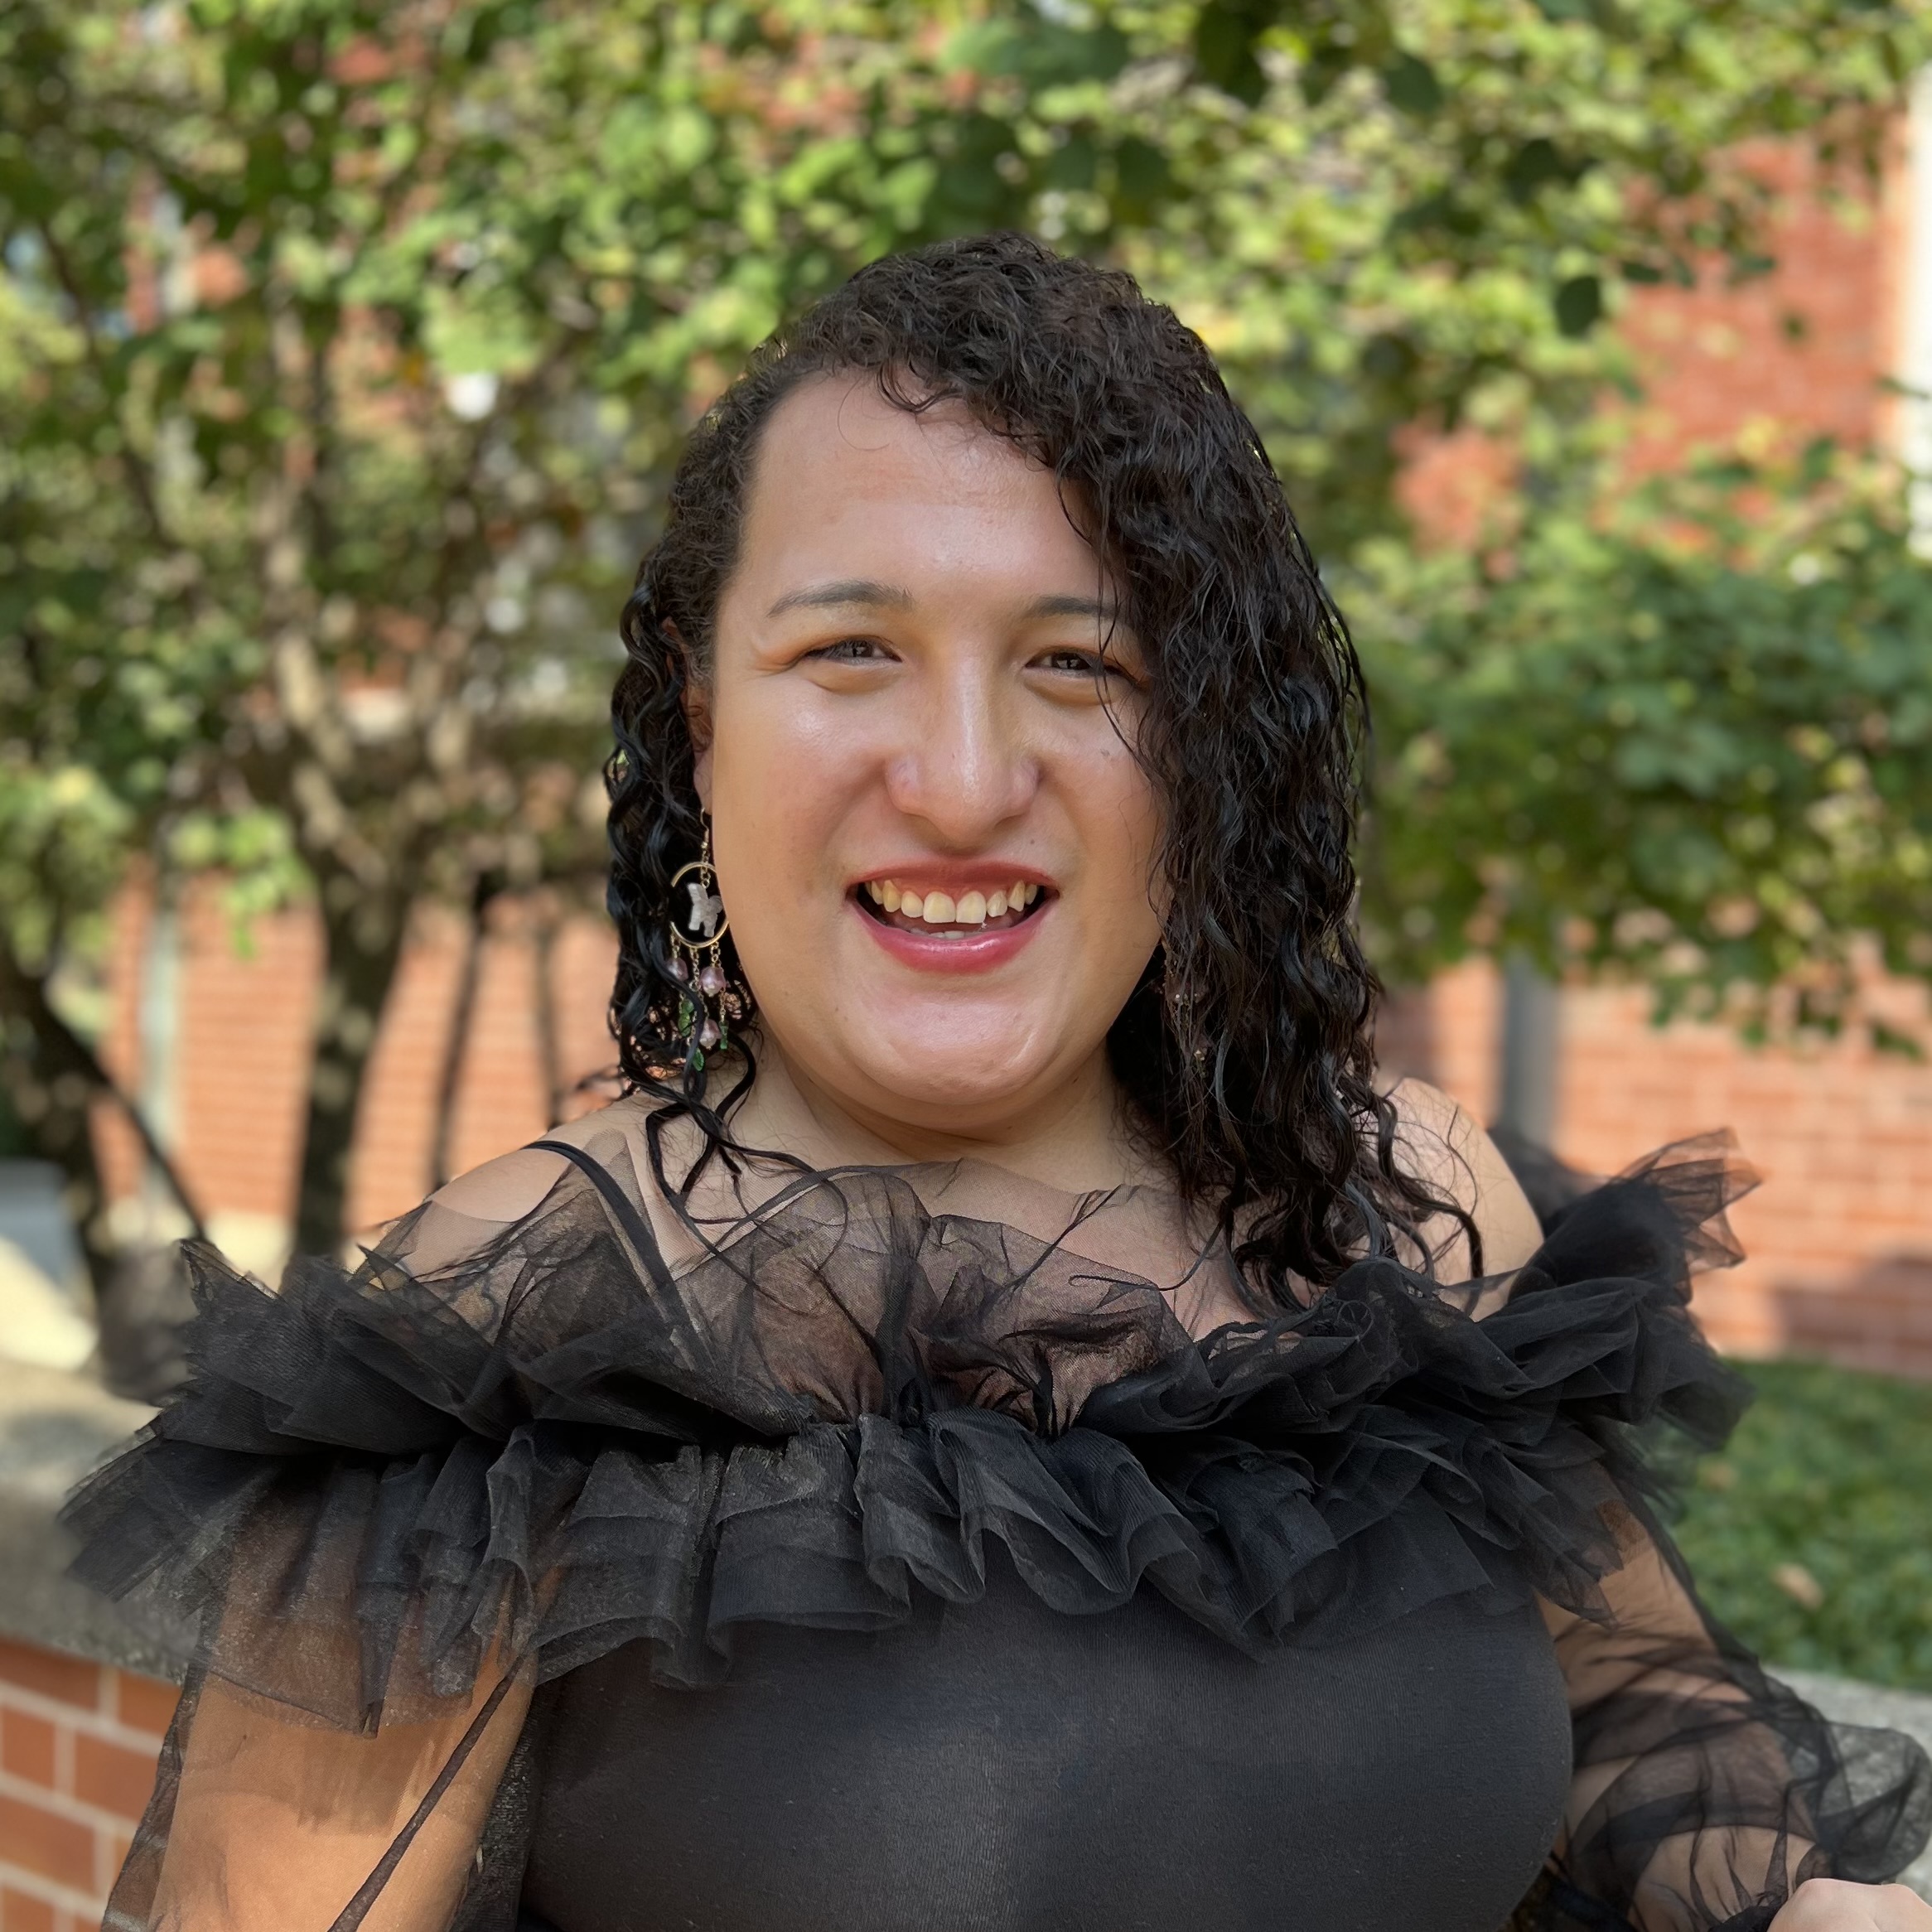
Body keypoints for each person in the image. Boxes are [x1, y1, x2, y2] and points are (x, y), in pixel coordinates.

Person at [65, 234, 1930, 1932]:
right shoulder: (488, 1354)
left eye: (1074, 660)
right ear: (704, 726)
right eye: (850, 649)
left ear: (1194, 753)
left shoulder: (1407, 1217)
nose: (960, 780)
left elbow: (1635, 1703)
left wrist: (1787, 1908)